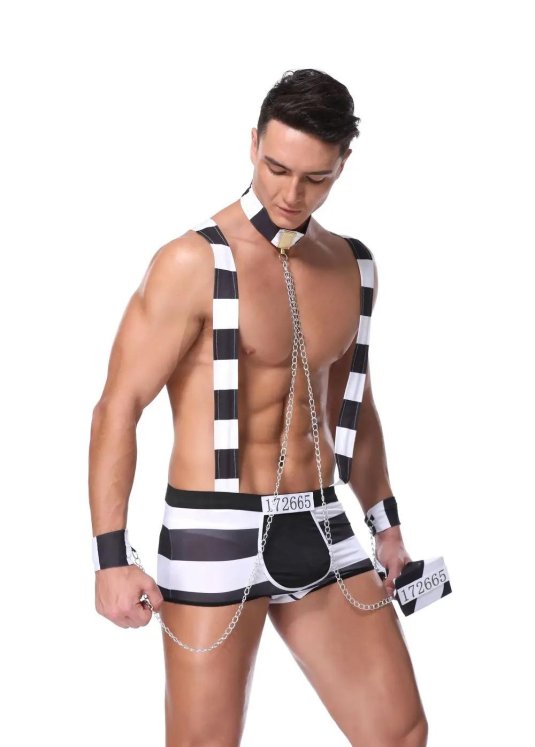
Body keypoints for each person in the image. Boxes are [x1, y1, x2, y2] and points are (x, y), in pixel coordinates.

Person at [89, 68, 429, 747]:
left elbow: (352, 409)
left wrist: (385, 525)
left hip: (322, 520)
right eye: (276, 168)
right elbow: (118, 407)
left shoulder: (352, 266)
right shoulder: (192, 261)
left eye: (315, 178)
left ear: (342, 165)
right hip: (214, 529)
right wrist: (110, 557)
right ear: (253, 144)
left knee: (399, 733)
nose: (290, 193)